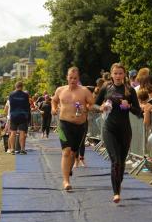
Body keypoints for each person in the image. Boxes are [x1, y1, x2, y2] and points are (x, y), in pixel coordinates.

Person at [95, 63, 142, 203]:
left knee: (121, 162)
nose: (118, 76)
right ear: (111, 74)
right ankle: (116, 193)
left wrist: (129, 106)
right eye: (115, 73)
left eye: (120, 73)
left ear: (124, 74)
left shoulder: (130, 90)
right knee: (115, 161)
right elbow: (94, 104)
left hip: (125, 130)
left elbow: (138, 112)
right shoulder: (106, 87)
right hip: (109, 129)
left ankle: (118, 185)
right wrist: (101, 107)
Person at [51, 66, 94, 190]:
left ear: (78, 78)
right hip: (63, 124)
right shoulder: (60, 90)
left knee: (73, 152)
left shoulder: (84, 91)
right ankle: (66, 181)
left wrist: (85, 108)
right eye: (71, 78)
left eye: (75, 78)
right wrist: (54, 109)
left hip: (80, 125)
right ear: (67, 78)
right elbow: (54, 101)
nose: (73, 80)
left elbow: (92, 103)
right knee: (66, 151)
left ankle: (68, 170)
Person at [9, 81, 30, 155]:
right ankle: (22, 149)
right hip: (22, 115)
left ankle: (12, 149)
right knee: (22, 132)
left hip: (14, 115)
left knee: (13, 132)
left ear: (15, 86)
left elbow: (11, 105)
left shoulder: (11, 94)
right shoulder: (25, 95)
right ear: (22, 87)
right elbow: (27, 106)